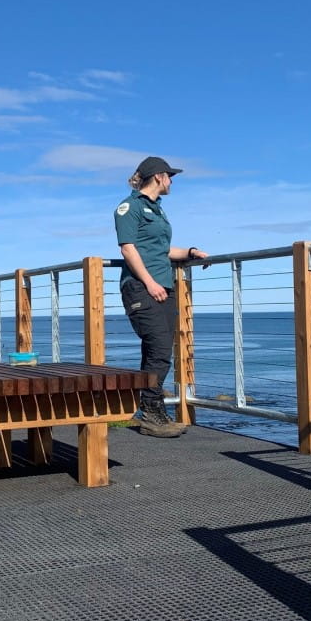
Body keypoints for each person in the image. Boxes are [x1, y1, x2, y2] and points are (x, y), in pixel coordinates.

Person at [114, 156, 208, 438]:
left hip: (163, 287)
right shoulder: (129, 208)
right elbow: (128, 249)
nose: (171, 182)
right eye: (170, 176)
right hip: (142, 287)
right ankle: (151, 412)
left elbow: (163, 250)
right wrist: (150, 282)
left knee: (160, 349)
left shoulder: (157, 210)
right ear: (158, 177)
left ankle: (152, 410)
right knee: (158, 349)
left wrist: (191, 252)